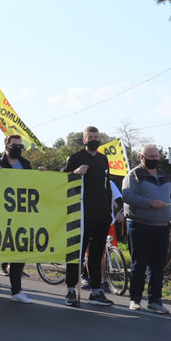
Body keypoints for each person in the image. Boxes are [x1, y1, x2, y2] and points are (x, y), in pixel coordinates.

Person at [121, 145, 171, 314]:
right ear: (142, 157)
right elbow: (127, 196)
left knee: (157, 265)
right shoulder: (134, 175)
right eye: (151, 156)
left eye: (156, 156)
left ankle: (155, 300)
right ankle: (135, 299)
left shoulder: (163, 175)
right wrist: (149, 202)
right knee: (139, 264)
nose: (154, 159)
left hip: (161, 227)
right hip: (140, 225)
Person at [62, 126, 115, 308]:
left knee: (96, 253)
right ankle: (70, 289)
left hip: (101, 213)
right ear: (84, 140)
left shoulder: (103, 159)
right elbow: (61, 179)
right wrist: (76, 173)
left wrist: (110, 210)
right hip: (81, 212)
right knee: (77, 253)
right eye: (90, 137)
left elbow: (106, 185)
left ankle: (95, 290)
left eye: (97, 137)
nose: (94, 139)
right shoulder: (76, 158)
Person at [0, 134, 35, 304]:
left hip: (19, 216)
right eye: (14, 145)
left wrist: (42, 176)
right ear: (6, 146)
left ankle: (16, 291)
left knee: (17, 254)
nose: (17, 148)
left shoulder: (26, 165)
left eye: (20, 145)